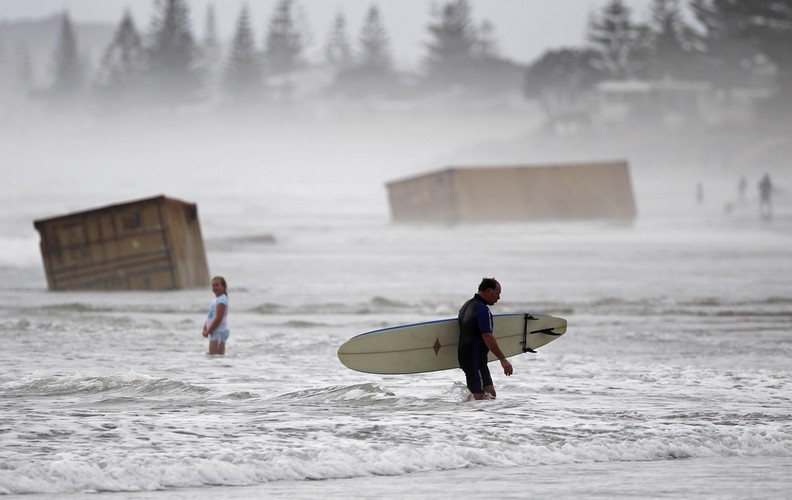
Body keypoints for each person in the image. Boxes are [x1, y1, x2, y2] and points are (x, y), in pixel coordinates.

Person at [457, 277, 513, 400]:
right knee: (478, 398)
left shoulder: (466, 305)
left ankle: (486, 419)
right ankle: (464, 417)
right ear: (488, 291)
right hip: (474, 358)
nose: (498, 298)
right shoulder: (482, 309)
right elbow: (487, 336)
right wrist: (503, 360)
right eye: (497, 293)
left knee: (490, 395)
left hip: (470, 357)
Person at [202, 276, 229, 355]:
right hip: (215, 331)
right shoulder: (216, 299)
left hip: (219, 331)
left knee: (215, 357)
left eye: (217, 285)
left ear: (224, 287)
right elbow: (210, 316)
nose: (215, 287)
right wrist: (205, 328)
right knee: (214, 357)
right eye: (213, 285)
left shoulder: (222, 299)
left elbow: (218, 318)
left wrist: (208, 331)